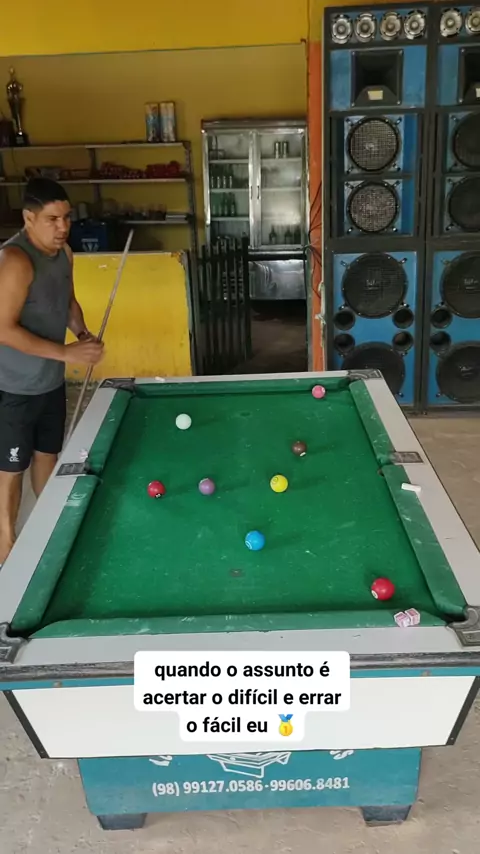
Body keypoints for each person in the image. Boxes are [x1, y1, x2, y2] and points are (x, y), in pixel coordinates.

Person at [0, 178, 104, 564]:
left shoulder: (64, 254)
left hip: (49, 381)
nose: (62, 227)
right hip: (13, 386)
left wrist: (82, 333)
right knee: (11, 466)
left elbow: (68, 300)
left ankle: (47, 527)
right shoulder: (15, 261)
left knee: (47, 455)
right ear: (29, 218)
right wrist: (66, 352)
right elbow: (3, 329)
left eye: (67, 218)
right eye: (52, 219)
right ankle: (6, 545)